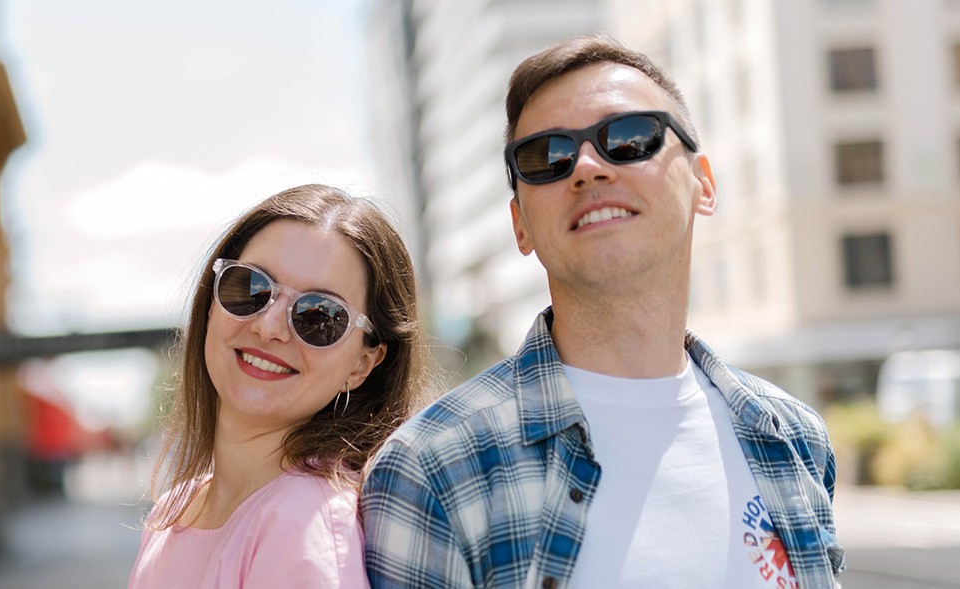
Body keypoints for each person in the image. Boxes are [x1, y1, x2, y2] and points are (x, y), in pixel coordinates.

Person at [360, 35, 845, 588]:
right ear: (520, 225)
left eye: (631, 138)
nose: (587, 167)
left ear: (703, 184)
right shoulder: (433, 469)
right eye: (547, 157)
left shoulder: (796, 439)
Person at [130, 184, 431, 588]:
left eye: (319, 316)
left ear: (363, 363)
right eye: (250, 288)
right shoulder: (172, 512)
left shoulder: (304, 525)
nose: (269, 327)